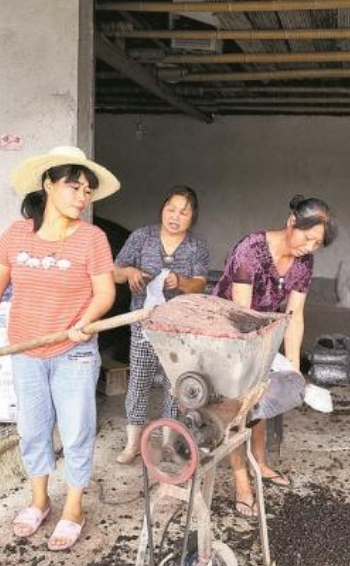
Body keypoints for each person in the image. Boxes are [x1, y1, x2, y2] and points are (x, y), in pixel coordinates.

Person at [0, 146, 120, 550]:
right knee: (32, 430)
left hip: (75, 352)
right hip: (25, 351)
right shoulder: (17, 233)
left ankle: (73, 507)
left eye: (87, 190)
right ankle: (39, 501)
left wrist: (85, 320)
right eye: (74, 186)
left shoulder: (92, 238)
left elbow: (105, 292)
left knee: (76, 431)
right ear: (48, 185)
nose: (82, 196)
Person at [213, 194, 337, 517]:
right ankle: (242, 482)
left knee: (265, 398)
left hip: (263, 333)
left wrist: (292, 369)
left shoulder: (303, 263)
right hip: (229, 333)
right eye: (308, 238)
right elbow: (241, 315)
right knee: (238, 406)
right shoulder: (250, 251)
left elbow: (294, 316)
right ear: (291, 222)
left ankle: (261, 463)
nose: (310, 247)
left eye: (317, 243)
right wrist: (259, 361)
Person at [114, 186, 210, 464]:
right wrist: (130, 271)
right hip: (143, 324)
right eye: (171, 209)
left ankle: (168, 442)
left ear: (192, 217)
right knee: (139, 381)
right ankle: (133, 443)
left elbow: (199, 285)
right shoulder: (142, 237)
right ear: (162, 209)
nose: (175, 216)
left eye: (184, 212)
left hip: (179, 329)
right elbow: (115, 272)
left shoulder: (196, 246)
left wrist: (180, 282)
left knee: (173, 384)